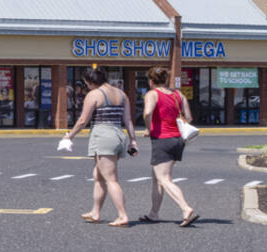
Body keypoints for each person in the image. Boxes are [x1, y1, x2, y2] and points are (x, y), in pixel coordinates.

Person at [65, 66, 138, 226]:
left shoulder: (94, 94)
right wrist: (133, 140)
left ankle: (122, 215)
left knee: (111, 179)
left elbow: (83, 120)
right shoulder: (121, 93)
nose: (87, 86)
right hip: (118, 134)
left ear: (91, 82)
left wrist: (69, 136)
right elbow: (128, 120)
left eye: (86, 83)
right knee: (98, 176)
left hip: (103, 135)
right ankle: (95, 212)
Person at [141, 66, 199, 227]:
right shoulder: (178, 94)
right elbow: (189, 117)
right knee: (157, 178)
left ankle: (185, 208)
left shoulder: (152, 94)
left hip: (162, 139)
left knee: (164, 178)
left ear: (151, 81)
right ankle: (154, 213)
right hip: (178, 139)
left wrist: (149, 128)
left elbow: (147, 113)